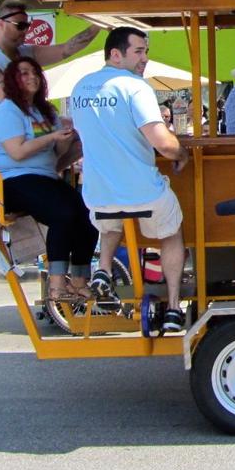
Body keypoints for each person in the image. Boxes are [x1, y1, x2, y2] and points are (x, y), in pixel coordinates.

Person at [70, 27, 190, 333]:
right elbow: (162, 142)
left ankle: (104, 269)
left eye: (145, 52)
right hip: (142, 193)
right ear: (115, 53)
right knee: (172, 231)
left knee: (112, 220)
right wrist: (181, 153)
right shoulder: (134, 87)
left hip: (97, 194)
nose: (145, 59)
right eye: (138, 52)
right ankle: (175, 307)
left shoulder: (81, 87)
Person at [0, 56, 98, 301]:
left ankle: (80, 279)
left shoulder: (47, 110)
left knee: (89, 214)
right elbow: (17, 152)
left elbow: (57, 156)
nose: (32, 78)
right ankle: (57, 284)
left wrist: (71, 142)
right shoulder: (8, 110)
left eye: (35, 73)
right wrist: (52, 138)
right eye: (24, 74)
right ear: (12, 80)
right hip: (12, 180)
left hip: (44, 177)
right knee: (61, 214)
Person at [0, 0, 100, 143]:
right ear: (1, 24)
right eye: (20, 25)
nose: (26, 31)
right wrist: (52, 117)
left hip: (28, 126)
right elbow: (13, 101)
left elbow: (66, 49)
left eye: (28, 25)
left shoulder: (25, 52)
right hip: (2, 135)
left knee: (81, 135)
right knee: (73, 133)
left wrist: (98, 24)